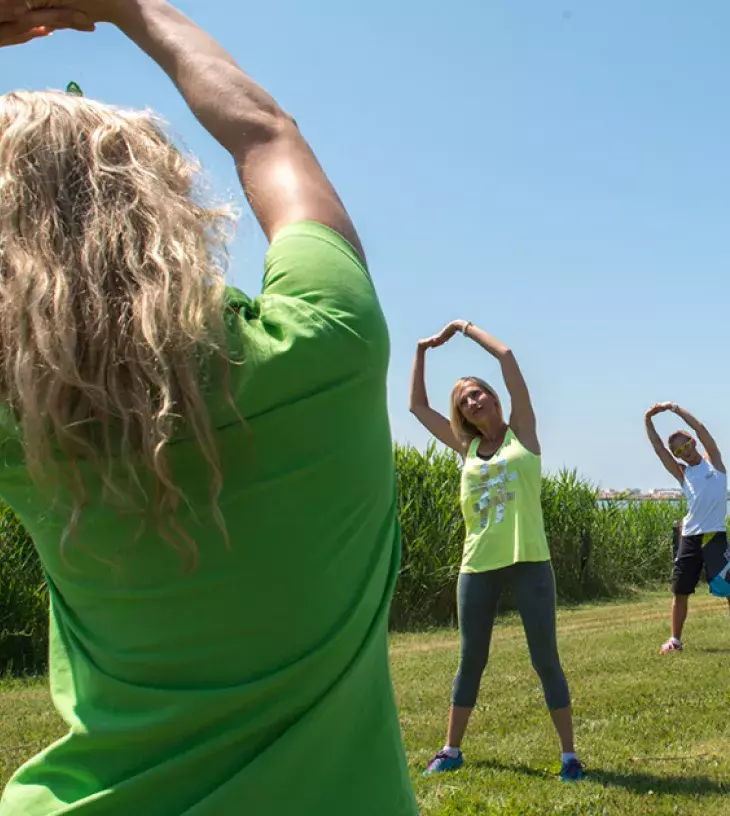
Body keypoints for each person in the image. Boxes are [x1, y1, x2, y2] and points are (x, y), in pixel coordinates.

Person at [0, 2, 417, 814]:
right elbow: (265, 133)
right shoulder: (328, 343)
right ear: (168, 208)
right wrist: (132, 9)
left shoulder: (23, 429)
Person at [409, 320, 583, 782]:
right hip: (478, 564)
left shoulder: (522, 432)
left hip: (530, 561)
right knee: (471, 659)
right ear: (461, 413)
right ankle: (451, 750)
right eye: (465, 398)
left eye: (479, 392)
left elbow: (506, 357)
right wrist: (423, 350)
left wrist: (464, 329)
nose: (474, 399)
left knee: (545, 658)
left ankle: (569, 756)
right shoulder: (463, 446)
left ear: (494, 397)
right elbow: (416, 406)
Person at [644, 402, 730, 654]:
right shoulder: (683, 474)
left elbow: (702, 428)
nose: (684, 452)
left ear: (693, 442)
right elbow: (658, 449)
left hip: (715, 537)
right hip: (690, 538)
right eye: (678, 451)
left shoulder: (714, 463)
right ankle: (675, 640)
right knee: (680, 591)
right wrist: (648, 420)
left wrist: (675, 409)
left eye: (686, 445)